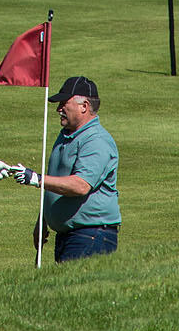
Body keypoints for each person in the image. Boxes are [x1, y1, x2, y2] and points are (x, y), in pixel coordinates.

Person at [39, 75, 120, 262]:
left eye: (63, 103)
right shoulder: (66, 135)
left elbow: (81, 185)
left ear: (84, 106)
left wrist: (36, 179)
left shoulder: (96, 140)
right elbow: (56, 183)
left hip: (91, 235)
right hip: (70, 235)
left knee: (74, 290)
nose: (58, 109)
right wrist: (43, 220)